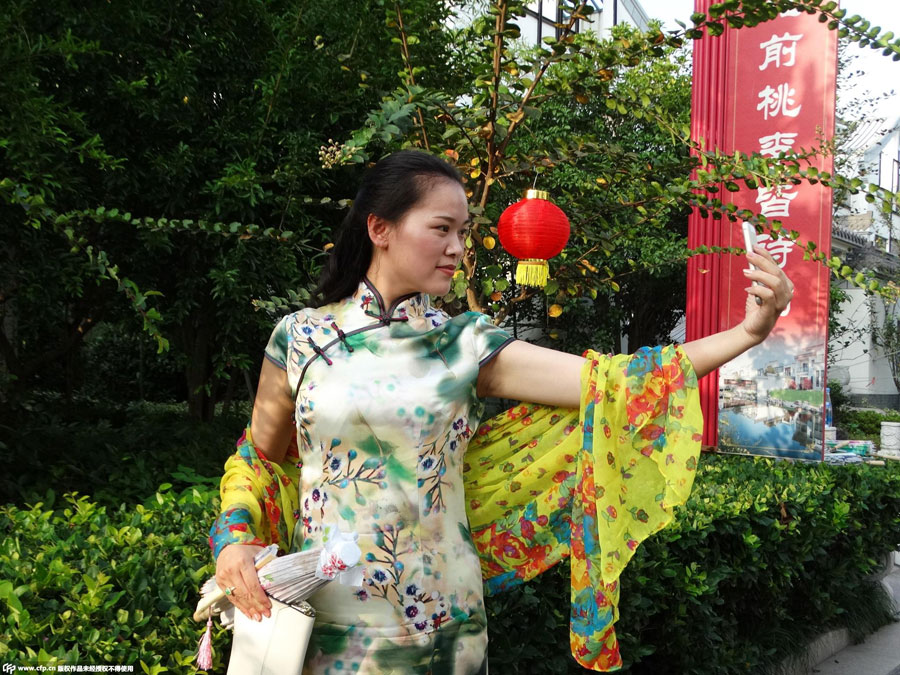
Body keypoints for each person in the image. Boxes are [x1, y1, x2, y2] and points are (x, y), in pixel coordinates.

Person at [209, 150, 793, 673]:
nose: (459, 248)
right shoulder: (302, 338)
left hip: (444, 623)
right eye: (441, 229)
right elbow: (258, 458)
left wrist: (746, 332)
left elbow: (614, 381)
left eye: (463, 231)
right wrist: (234, 539)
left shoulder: (466, 343)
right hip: (324, 619)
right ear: (380, 229)